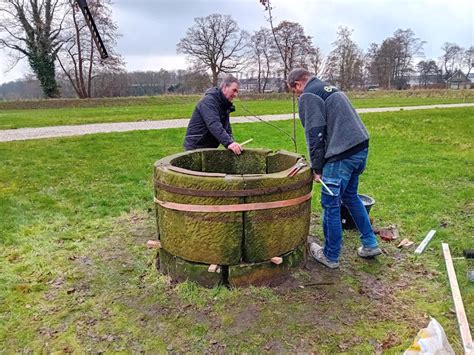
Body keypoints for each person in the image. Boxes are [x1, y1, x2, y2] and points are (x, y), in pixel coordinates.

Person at [287, 68, 381, 269]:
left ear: (297, 84)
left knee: (330, 204)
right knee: (350, 197)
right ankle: (370, 243)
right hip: (360, 149)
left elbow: (315, 134)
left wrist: (317, 167)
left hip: (341, 156)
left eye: (294, 92)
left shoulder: (309, 94)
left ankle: (330, 255)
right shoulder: (328, 88)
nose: (297, 96)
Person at [183, 75, 242, 155]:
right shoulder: (209, 101)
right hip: (196, 147)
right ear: (225, 87)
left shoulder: (224, 104)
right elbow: (214, 124)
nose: (235, 94)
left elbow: (227, 128)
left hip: (209, 147)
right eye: (234, 90)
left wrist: (232, 142)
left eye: (237, 91)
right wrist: (229, 143)